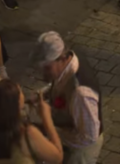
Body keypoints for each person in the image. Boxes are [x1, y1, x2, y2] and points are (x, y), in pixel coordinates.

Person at [34, 31, 104, 164]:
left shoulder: (81, 93)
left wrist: (50, 127)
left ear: (61, 58)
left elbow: (89, 137)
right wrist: (44, 93)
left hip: (79, 151)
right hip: (69, 137)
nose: (43, 74)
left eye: (47, 68)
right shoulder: (69, 61)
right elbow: (61, 83)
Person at [0, 79, 64, 164]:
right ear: (17, 103)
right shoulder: (27, 134)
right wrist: (47, 118)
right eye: (21, 91)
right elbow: (58, 157)